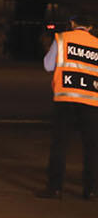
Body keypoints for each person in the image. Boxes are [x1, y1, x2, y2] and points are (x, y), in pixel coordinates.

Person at [39, 15, 98, 199]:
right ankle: (92, 190)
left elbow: (48, 66)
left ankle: (55, 188)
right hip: (91, 102)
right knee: (92, 147)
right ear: (91, 26)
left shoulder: (62, 39)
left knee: (60, 144)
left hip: (65, 100)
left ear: (73, 23)